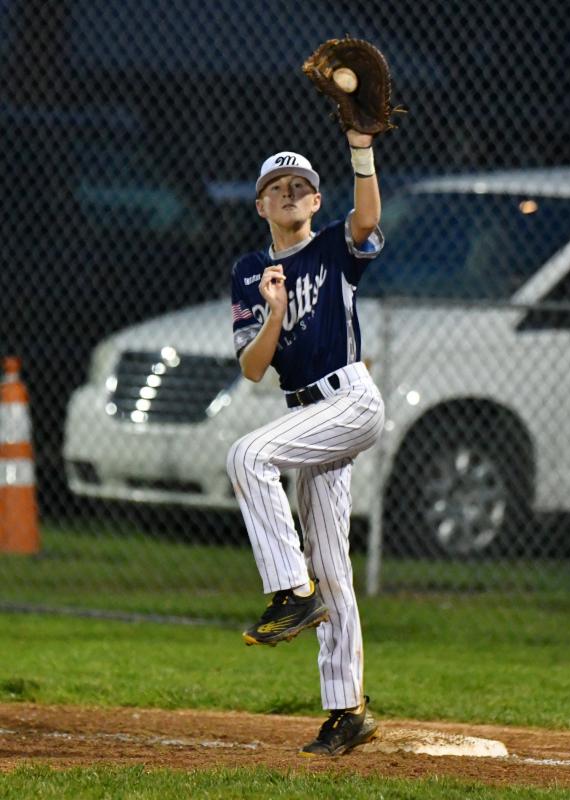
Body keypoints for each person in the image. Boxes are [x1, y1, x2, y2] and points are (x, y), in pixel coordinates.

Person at [226, 128, 385, 756]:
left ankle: (291, 594)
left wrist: (362, 150)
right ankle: (349, 711)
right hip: (310, 420)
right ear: (260, 205)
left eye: (301, 187)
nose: (290, 193)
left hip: (350, 398)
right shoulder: (249, 272)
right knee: (331, 565)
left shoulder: (332, 251)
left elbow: (367, 217)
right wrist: (272, 310)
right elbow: (253, 368)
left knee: (248, 453)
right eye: (277, 188)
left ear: (317, 202)